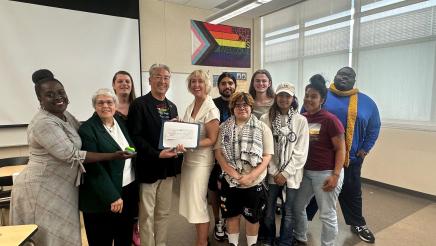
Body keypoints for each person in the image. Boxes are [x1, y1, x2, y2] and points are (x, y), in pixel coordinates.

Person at [9, 69, 134, 246]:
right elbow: (73, 155)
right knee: (46, 237)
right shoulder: (43, 123)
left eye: (61, 92)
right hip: (41, 188)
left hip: (63, 186)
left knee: (63, 235)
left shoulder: (64, 114)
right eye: (49, 94)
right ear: (40, 99)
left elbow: (82, 135)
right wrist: (114, 155)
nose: (58, 97)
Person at [127, 64, 183, 246]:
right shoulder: (139, 105)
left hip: (167, 169)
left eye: (166, 77)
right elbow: (135, 136)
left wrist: (179, 139)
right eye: (158, 77)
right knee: (147, 214)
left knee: (164, 213)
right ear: (149, 80)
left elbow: (171, 135)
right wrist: (157, 154)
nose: (162, 81)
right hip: (148, 168)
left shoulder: (172, 107)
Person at [327, 67, 381, 243]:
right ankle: (300, 222)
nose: (344, 78)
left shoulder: (367, 102)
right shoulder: (321, 95)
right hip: (323, 157)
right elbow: (306, 119)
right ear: (334, 76)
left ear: (354, 80)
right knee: (314, 191)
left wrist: (366, 148)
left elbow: (374, 126)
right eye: (341, 74)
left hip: (352, 159)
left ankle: (357, 223)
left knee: (352, 192)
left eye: (349, 76)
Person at [78, 88, 138, 246]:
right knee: (101, 239)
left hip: (127, 189)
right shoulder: (87, 130)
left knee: (124, 236)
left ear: (115, 105)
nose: (105, 106)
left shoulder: (120, 123)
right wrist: (112, 196)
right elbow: (93, 167)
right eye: (100, 102)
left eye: (109, 102)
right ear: (95, 106)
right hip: (102, 195)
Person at [214, 92, 274, 246]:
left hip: (254, 182)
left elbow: (267, 156)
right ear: (232, 108)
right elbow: (218, 153)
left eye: (245, 105)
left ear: (251, 107)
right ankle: (233, 243)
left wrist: (251, 176)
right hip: (230, 180)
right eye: (237, 105)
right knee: (232, 216)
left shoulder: (262, 128)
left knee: (252, 218)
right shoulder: (224, 127)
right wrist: (233, 173)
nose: (241, 108)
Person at [293, 74, 345, 246]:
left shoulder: (330, 120)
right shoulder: (302, 118)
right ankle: (300, 236)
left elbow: (340, 149)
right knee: (297, 206)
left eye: (313, 96)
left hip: (326, 172)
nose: (309, 99)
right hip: (306, 172)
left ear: (322, 99)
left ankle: (328, 244)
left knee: (326, 213)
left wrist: (336, 175)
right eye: (307, 95)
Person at [260, 83, 309, 246]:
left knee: (289, 212)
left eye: (288, 96)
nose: (284, 99)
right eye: (281, 95)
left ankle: (285, 242)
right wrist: (275, 172)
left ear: (293, 99)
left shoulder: (301, 121)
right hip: (272, 174)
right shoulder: (265, 119)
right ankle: (269, 238)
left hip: (292, 175)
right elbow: (265, 149)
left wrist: (286, 173)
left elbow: (301, 152)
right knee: (268, 211)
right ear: (275, 97)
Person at [179, 70, 220, 246]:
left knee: (199, 204)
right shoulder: (191, 106)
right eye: (193, 81)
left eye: (200, 82)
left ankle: (202, 242)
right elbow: (189, 130)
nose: (196, 85)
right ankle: (201, 239)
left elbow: (212, 139)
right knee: (194, 204)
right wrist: (178, 127)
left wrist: (191, 143)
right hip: (188, 161)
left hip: (201, 163)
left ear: (207, 85)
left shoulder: (211, 108)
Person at [209, 72, 237, 241]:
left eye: (230, 83)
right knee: (214, 190)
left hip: (234, 158)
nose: (227, 86)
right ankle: (218, 221)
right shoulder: (212, 104)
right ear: (218, 86)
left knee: (230, 190)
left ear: (235, 85)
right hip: (214, 156)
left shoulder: (240, 103)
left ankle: (228, 220)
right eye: (224, 83)